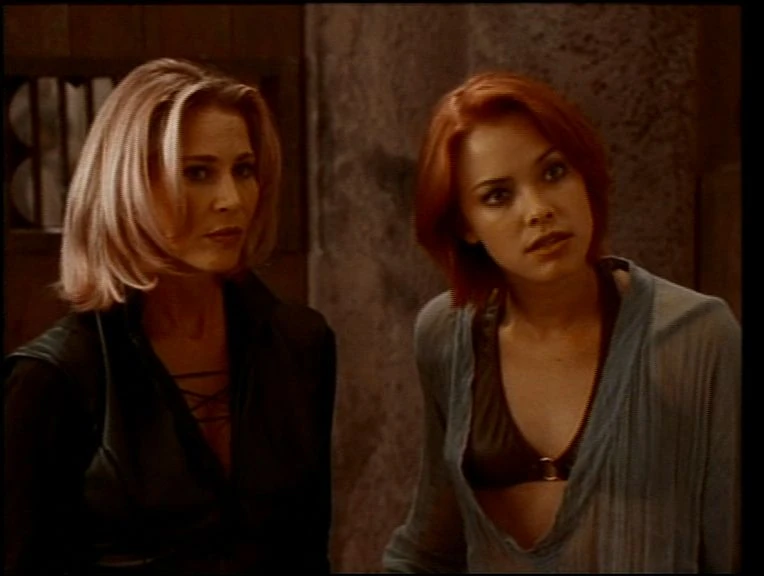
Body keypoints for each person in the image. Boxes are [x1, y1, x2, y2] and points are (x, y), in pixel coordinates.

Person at [382, 71, 740, 573]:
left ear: (584, 173)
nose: (539, 211)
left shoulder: (697, 336)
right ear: (465, 224)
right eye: (497, 196)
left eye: (553, 172)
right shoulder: (447, 336)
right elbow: (430, 546)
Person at [4, 58, 337, 574]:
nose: (231, 200)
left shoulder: (300, 343)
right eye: (197, 173)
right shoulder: (54, 378)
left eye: (243, 170)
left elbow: (308, 549)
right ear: (128, 186)